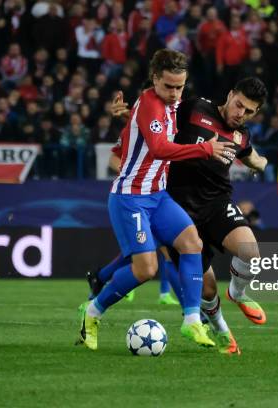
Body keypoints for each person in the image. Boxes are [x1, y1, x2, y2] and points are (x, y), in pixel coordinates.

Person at [76, 49, 235, 351]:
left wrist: (129, 116)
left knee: (192, 243)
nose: (175, 94)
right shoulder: (150, 103)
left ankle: (191, 322)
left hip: (158, 195)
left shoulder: (169, 106)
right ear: (154, 80)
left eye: (180, 87)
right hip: (131, 198)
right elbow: (161, 148)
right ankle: (92, 312)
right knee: (145, 269)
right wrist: (206, 150)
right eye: (169, 87)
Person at [97, 77, 270, 355]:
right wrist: (128, 113)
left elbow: (251, 155)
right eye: (239, 105)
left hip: (216, 203)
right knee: (207, 288)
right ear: (230, 94)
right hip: (177, 207)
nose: (241, 113)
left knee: (250, 251)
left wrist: (261, 164)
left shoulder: (242, 135)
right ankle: (222, 331)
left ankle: (237, 293)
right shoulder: (195, 108)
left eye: (249, 111)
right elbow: (159, 121)